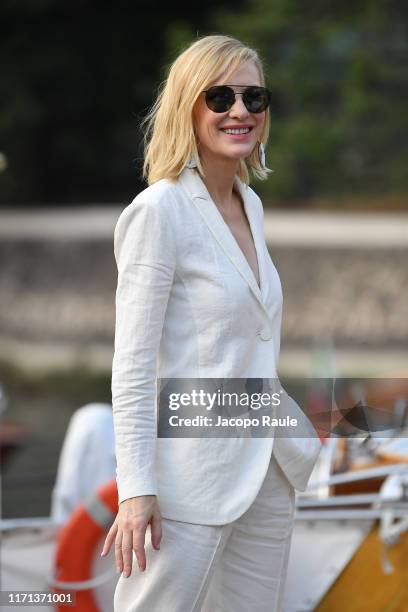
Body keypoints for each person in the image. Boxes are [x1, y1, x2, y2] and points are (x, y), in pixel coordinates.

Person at [101, 34, 322, 611]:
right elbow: (132, 365)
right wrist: (136, 491)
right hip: (189, 478)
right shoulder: (159, 211)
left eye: (255, 97)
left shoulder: (250, 203)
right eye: (219, 97)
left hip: (268, 468)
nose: (240, 111)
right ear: (188, 107)